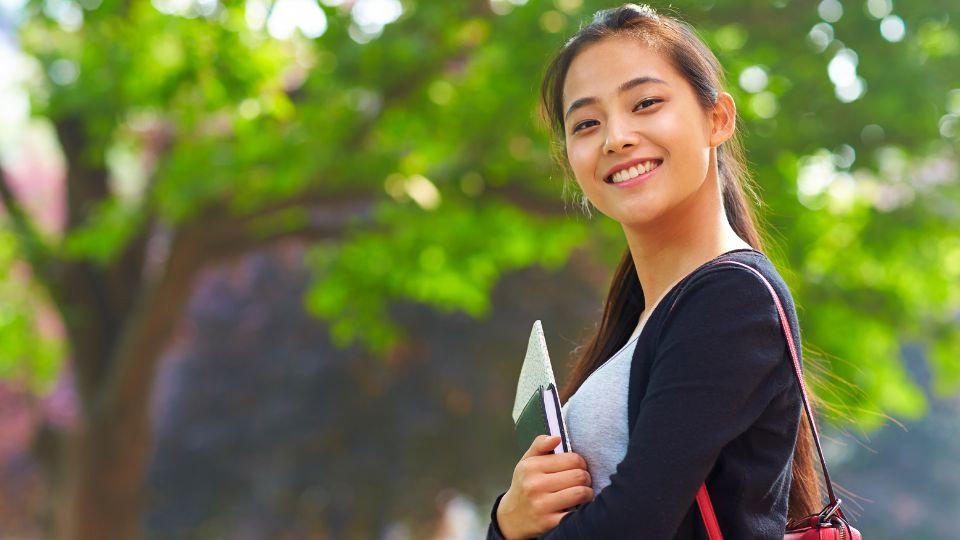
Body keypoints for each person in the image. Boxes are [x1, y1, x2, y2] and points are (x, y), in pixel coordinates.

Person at [487, 4, 826, 539]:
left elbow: (633, 524)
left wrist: (505, 530)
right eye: (586, 123)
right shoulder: (642, 316)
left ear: (717, 118)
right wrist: (512, 515)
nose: (615, 137)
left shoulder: (731, 300)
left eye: (645, 103)